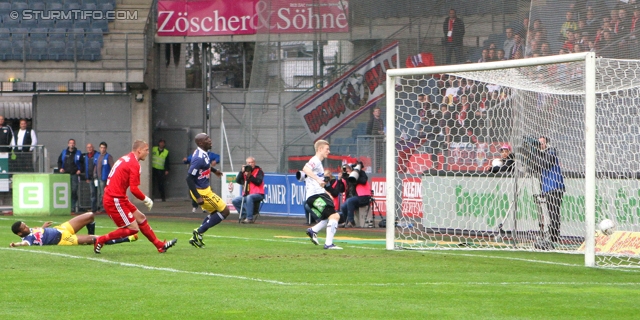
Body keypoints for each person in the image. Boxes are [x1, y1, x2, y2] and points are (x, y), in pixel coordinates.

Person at [93, 140, 177, 254]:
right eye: (146, 150)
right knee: (133, 229)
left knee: (141, 218)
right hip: (114, 199)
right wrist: (146, 199)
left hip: (118, 197)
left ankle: (159, 245)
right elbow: (134, 189)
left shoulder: (126, 158)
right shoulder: (134, 163)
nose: (148, 152)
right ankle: (101, 240)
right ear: (139, 150)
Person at [186, 133, 230, 248]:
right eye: (207, 139)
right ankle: (199, 232)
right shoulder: (198, 158)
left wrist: (214, 171)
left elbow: (205, 166)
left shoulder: (204, 153)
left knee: (215, 213)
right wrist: (197, 197)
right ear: (200, 143)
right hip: (202, 192)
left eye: (209, 138)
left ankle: (197, 236)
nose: (210, 140)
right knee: (225, 211)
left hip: (205, 190)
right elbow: (189, 178)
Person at [10, 212, 136, 247]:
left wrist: (43, 227)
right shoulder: (27, 239)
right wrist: (15, 244)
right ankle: (126, 239)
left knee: (90, 216)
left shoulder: (30, 231)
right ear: (20, 233)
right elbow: (23, 243)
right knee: (96, 239)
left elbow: (38, 233)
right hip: (64, 239)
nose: (27, 227)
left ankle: (89, 234)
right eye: (24, 227)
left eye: (25, 224)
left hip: (61, 228)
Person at [304, 139, 343, 250]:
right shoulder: (315, 160)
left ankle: (313, 231)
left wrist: (326, 192)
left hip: (317, 195)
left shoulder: (319, 164)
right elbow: (305, 168)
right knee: (335, 216)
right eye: (327, 149)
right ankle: (328, 244)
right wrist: (317, 179)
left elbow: (318, 183)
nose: (329, 151)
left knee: (328, 217)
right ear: (320, 149)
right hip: (315, 196)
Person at [530, 136, 565, 243]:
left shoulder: (551, 152)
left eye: (542, 143)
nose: (540, 145)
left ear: (546, 144)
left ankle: (554, 237)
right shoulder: (539, 155)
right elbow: (533, 168)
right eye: (539, 143)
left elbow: (544, 164)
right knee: (550, 212)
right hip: (546, 188)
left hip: (555, 186)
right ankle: (552, 235)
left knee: (554, 212)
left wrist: (534, 155)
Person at [232, 156, 265, 224]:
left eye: (251, 162)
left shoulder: (259, 171)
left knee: (249, 197)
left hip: (258, 194)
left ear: (254, 163)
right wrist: (241, 172)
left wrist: (250, 176)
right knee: (235, 200)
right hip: (247, 194)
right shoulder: (245, 171)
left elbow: (258, 182)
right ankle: (244, 215)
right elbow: (238, 180)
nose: (250, 164)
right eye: (248, 162)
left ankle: (249, 218)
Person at [340, 162, 371, 228]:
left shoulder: (360, 173)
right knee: (343, 206)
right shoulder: (346, 177)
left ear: (350, 168)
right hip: (353, 198)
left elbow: (364, 181)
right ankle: (346, 222)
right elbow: (341, 190)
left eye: (346, 169)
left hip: (363, 197)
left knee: (349, 201)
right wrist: (341, 180)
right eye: (344, 170)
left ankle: (351, 221)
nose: (346, 171)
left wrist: (353, 176)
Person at [58, 139, 83, 213]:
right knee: (65, 191)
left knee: (74, 190)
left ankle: (72, 206)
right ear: (68, 144)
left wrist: (80, 170)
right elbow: (59, 161)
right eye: (70, 143)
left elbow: (82, 163)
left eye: (73, 143)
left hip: (74, 174)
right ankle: (65, 206)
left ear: (75, 144)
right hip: (65, 174)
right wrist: (60, 168)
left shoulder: (78, 153)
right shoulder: (64, 152)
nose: (72, 144)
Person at [95, 142, 114, 213]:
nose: (102, 149)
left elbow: (112, 166)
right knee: (99, 193)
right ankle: (100, 207)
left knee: (103, 193)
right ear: (99, 148)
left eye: (104, 148)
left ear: (106, 148)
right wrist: (95, 174)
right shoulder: (98, 156)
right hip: (99, 177)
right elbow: (96, 165)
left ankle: (103, 208)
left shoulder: (108, 156)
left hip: (105, 177)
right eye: (101, 147)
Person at [366, 106, 385, 173]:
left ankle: (378, 170)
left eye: (379, 111)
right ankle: (374, 171)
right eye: (376, 111)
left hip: (380, 142)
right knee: (374, 157)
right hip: (374, 142)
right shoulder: (371, 120)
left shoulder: (381, 120)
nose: (378, 112)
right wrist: (377, 132)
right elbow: (368, 131)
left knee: (380, 157)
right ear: (373, 113)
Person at [82, 143, 99, 212]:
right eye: (88, 147)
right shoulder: (86, 156)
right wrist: (87, 177)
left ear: (93, 148)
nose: (89, 148)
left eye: (90, 147)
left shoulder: (97, 155)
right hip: (91, 178)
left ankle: (100, 208)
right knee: (92, 193)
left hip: (97, 177)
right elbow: (85, 167)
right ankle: (93, 208)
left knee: (99, 193)